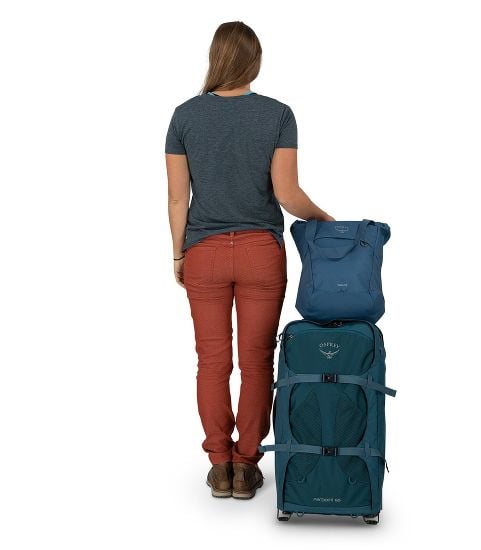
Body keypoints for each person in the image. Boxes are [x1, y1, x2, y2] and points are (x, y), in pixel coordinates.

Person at [165, 21, 335, 499]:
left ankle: (220, 466)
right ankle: (246, 465)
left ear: (214, 58)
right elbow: (287, 193)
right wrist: (325, 218)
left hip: (204, 254)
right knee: (257, 362)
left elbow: (178, 199)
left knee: (212, 362)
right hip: (261, 254)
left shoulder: (183, 116)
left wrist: (178, 253)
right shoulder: (278, 115)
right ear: (254, 61)